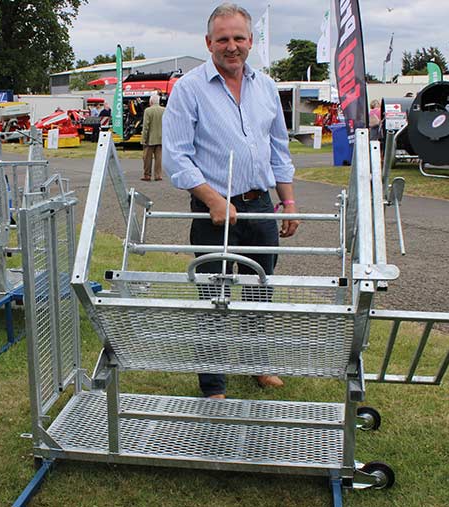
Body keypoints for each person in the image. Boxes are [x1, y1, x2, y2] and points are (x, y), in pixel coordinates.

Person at [162, 2, 299, 400]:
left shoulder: (267, 87)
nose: (232, 46)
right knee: (214, 298)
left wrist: (287, 202)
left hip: (260, 208)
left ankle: (258, 364)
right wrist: (212, 199)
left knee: (260, 291)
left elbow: (279, 149)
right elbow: (177, 157)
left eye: (239, 38)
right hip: (212, 212)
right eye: (223, 39)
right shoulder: (189, 89)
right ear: (209, 42)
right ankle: (214, 385)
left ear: (251, 41)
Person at [140, 94, 165, 181]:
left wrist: (144, 139)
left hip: (150, 139)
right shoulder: (164, 110)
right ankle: (158, 175)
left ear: (151, 102)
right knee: (159, 158)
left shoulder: (148, 111)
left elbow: (146, 126)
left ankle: (147, 175)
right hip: (161, 138)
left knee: (147, 158)